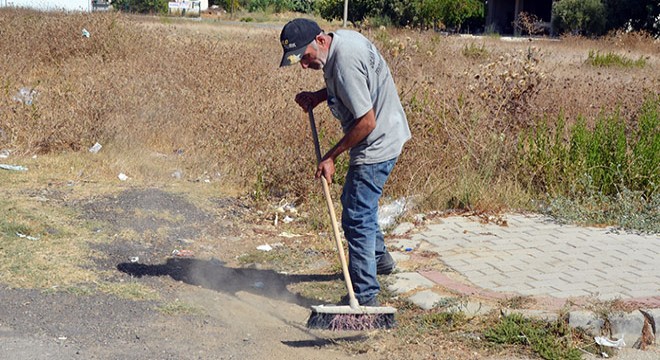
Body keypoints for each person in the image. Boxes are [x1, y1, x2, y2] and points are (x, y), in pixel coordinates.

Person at [279, 18, 411, 306]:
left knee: (356, 216)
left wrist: (330, 156)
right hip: (388, 131)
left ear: (320, 41)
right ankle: (379, 259)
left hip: (377, 142)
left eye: (305, 57)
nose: (303, 65)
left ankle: (364, 296)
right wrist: (318, 96)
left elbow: (367, 122)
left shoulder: (344, 63)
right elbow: (351, 87)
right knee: (355, 200)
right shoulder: (341, 43)